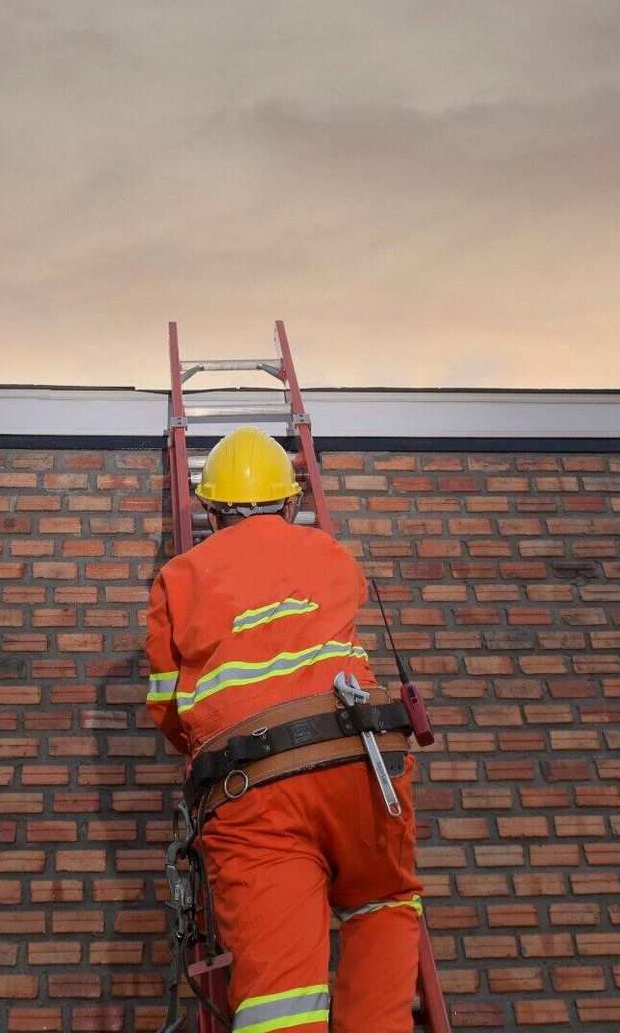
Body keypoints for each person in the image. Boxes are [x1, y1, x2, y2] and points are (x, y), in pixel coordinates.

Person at [145, 426, 422, 1033]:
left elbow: (168, 710)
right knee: (383, 905)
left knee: (279, 999)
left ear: (211, 510)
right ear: (292, 502)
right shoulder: (333, 555)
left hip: (252, 792)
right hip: (363, 762)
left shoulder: (179, 577)